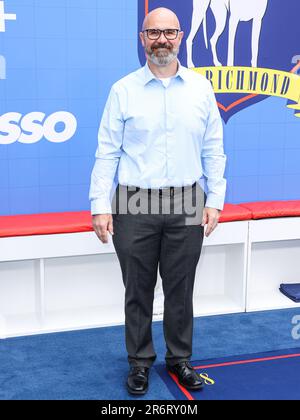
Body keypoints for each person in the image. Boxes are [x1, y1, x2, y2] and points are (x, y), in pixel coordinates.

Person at [89, 7, 226, 395]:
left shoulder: (201, 89)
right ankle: (139, 362)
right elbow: (106, 152)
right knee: (138, 289)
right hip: (133, 203)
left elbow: (214, 148)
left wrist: (215, 199)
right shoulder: (123, 90)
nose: (161, 40)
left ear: (181, 36)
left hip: (187, 200)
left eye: (169, 32)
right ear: (142, 38)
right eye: (153, 33)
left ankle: (180, 359)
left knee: (181, 288)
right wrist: (101, 204)